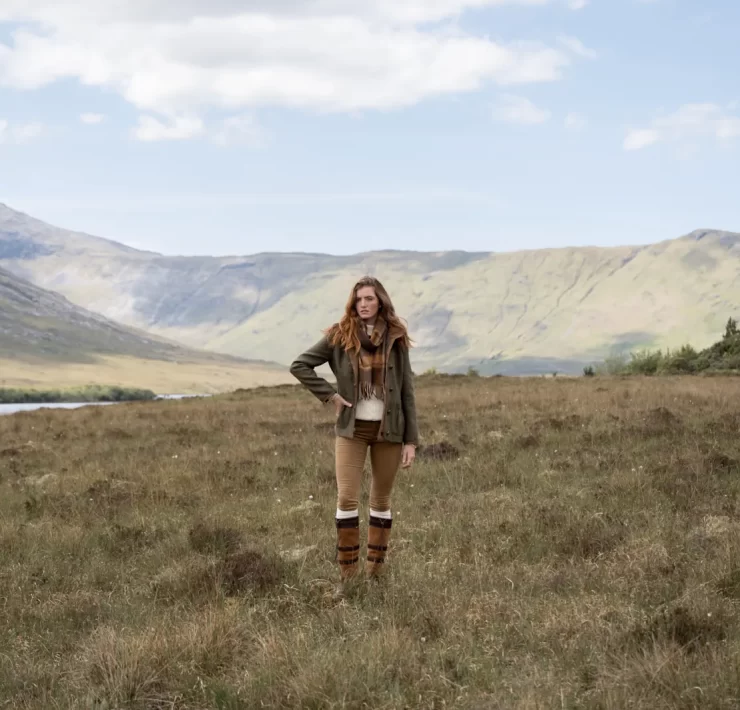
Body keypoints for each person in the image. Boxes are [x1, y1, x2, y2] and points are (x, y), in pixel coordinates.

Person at [289, 276, 419, 585]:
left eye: (369, 299)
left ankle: (375, 573)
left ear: (380, 302)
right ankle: (349, 577)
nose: (363, 304)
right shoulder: (339, 335)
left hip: (390, 431)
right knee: (346, 499)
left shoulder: (396, 337)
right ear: (353, 302)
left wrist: (411, 440)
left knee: (381, 501)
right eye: (359, 299)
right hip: (352, 430)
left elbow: (406, 391)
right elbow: (300, 365)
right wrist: (330, 395)